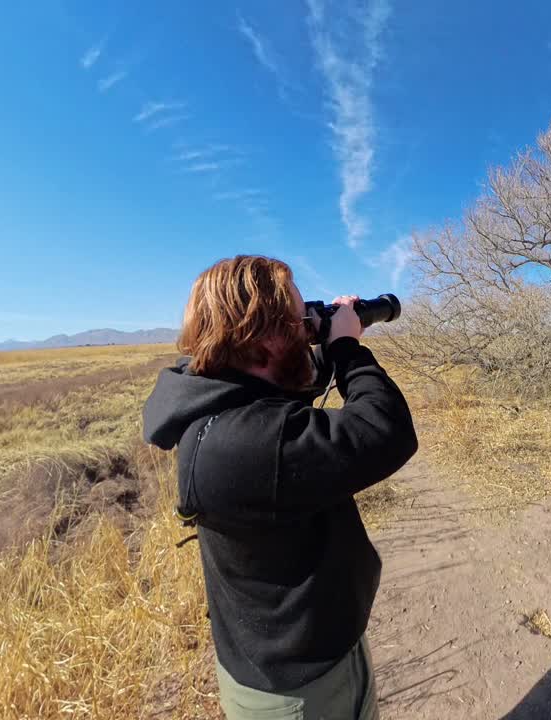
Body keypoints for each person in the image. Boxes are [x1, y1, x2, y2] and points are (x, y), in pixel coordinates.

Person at [142, 255, 418, 719]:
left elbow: (285, 392)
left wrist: (322, 336)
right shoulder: (249, 442)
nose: (307, 322)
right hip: (300, 694)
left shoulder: (218, 405)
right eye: (297, 317)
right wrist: (347, 346)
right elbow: (386, 431)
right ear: (263, 339)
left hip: (300, 655)